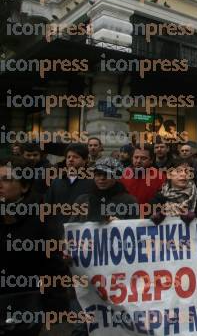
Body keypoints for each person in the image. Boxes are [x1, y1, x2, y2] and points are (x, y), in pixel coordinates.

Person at [0, 157, 69, 336]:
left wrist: (56, 309)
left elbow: (54, 266)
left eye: (7, 180)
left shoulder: (41, 217)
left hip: (24, 305)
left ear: (24, 186)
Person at [44, 144, 95, 237]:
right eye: (68, 157)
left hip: (83, 234)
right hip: (57, 233)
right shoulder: (57, 181)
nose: (71, 159)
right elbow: (48, 207)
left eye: (76, 157)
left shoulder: (93, 181)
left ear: (85, 160)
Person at [72, 157, 138, 222]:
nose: (102, 178)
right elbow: (71, 227)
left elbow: (136, 228)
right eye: (98, 174)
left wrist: (120, 224)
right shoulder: (83, 200)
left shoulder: (129, 201)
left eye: (107, 174)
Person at [121, 144, 166, 218]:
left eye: (143, 158)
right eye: (136, 157)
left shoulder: (160, 177)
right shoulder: (123, 176)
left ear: (151, 160)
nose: (138, 161)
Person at [149, 158, 197, 224]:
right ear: (169, 175)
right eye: (178, 171)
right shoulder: (157, 199)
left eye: (187, 172)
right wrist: (159, 216)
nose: (183, 174)